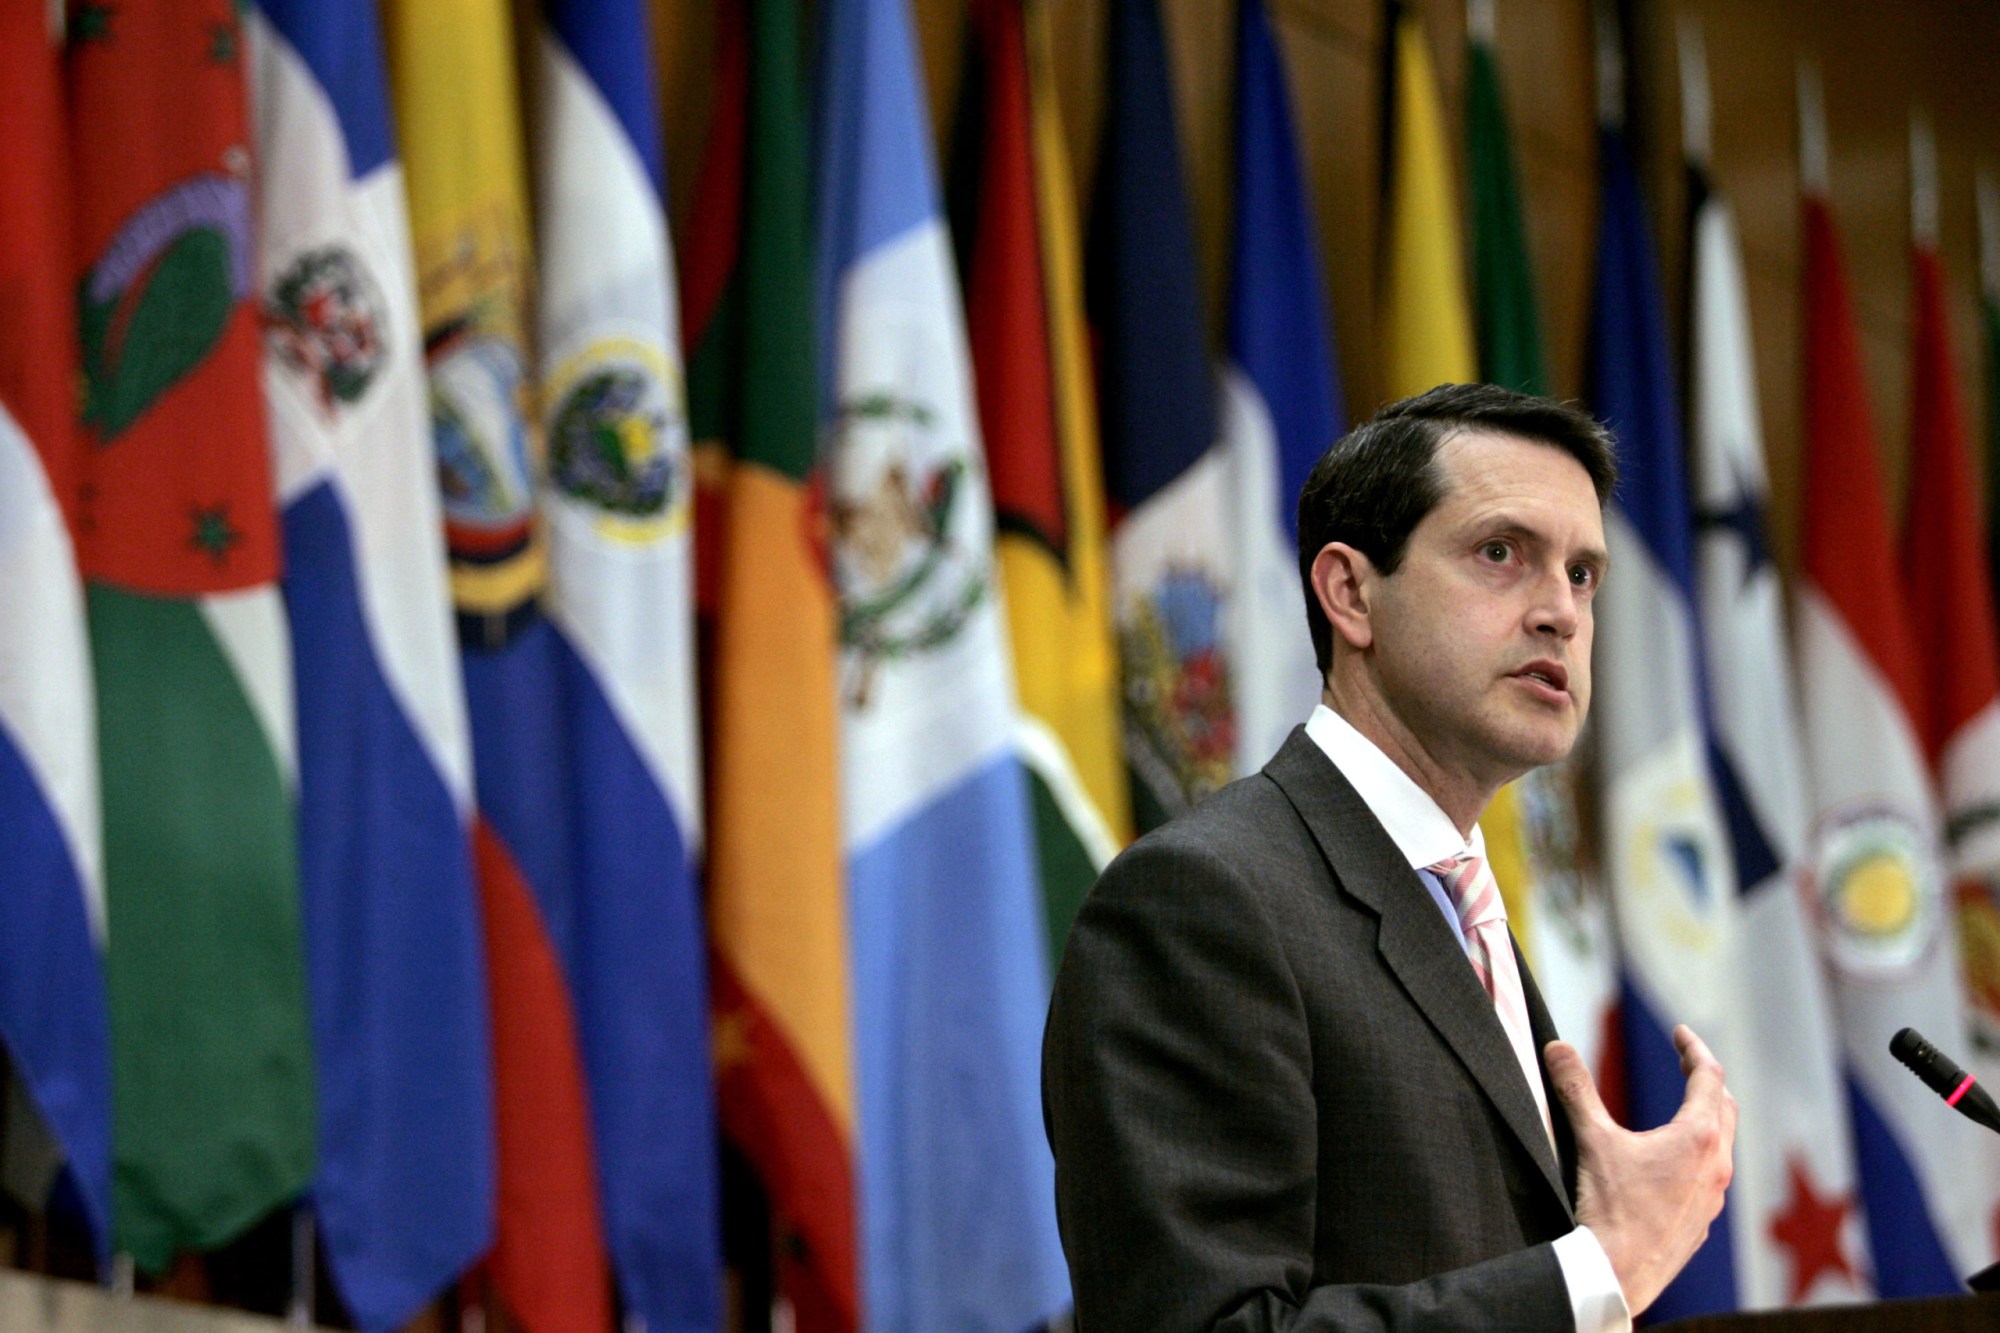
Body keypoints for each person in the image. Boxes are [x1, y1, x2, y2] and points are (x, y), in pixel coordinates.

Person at [1043, 384, 1735, 1332]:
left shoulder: (1463, 906)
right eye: (1502, 553)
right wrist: (1600, 1268)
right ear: (1350, 593)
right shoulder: (1202, 900)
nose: (1561, 615)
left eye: (1582, 574)